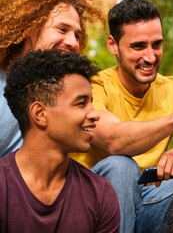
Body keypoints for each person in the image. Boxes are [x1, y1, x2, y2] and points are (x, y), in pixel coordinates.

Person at [69, 0, 173, 233]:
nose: (150, 57)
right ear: (112, 45)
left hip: (148, 201)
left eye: (156, 45)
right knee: (121, 167)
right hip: (94, 204)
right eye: (138, 47)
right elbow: (114, 140)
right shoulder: (94, 86)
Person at [0, 49, 120, 232]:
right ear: (40, 114)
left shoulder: (101, 194)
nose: (95, 114)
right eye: (81, 103)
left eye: (92, 102)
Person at [0, 0, 104, 156]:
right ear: (30, 28)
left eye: (77, 35)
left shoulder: (70, 92)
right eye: (62, 29)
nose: (73, 43)